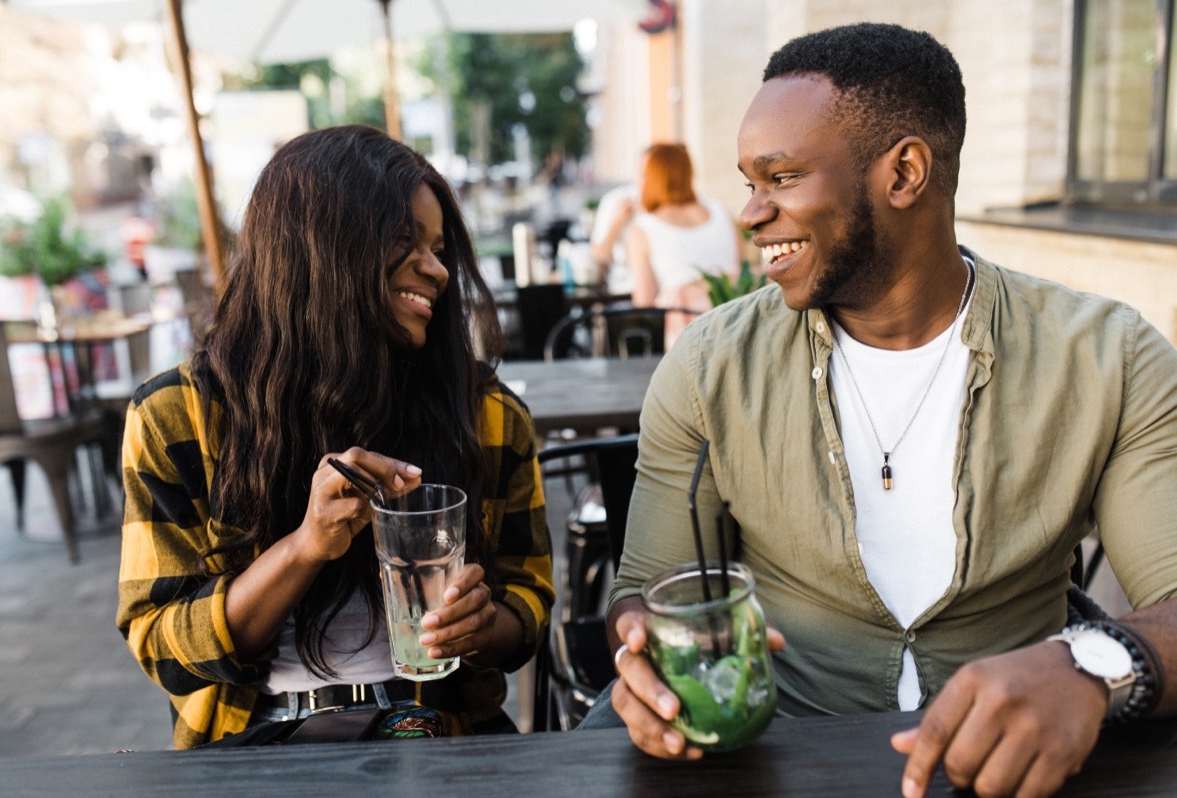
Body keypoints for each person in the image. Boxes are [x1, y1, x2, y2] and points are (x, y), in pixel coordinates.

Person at [600, 23, 1177, 798]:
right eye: (748, 181)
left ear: (903, 173)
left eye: (781, 177)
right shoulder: (709, 369)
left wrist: (1092, 663)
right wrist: (645, 656)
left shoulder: (1110, 357)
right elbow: (646, 589)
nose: (750, 212)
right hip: (777, 759)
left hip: (1019, 767)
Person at [116, 125, 554, 749]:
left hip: (437, 724)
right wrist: (303, 548)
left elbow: (529, 604)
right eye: (406, 244)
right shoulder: (176, 415)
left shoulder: (485, 413)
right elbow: (162, 645)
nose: (436, 270)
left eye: (437, 248)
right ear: (321, 253)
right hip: (254, 737)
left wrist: (485, 626)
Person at [625, 143, 743, 349]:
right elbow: (743, 268)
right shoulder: (721, 212)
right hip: (735, 325)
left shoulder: (643, 227)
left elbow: (644, 301)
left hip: (688, 340)